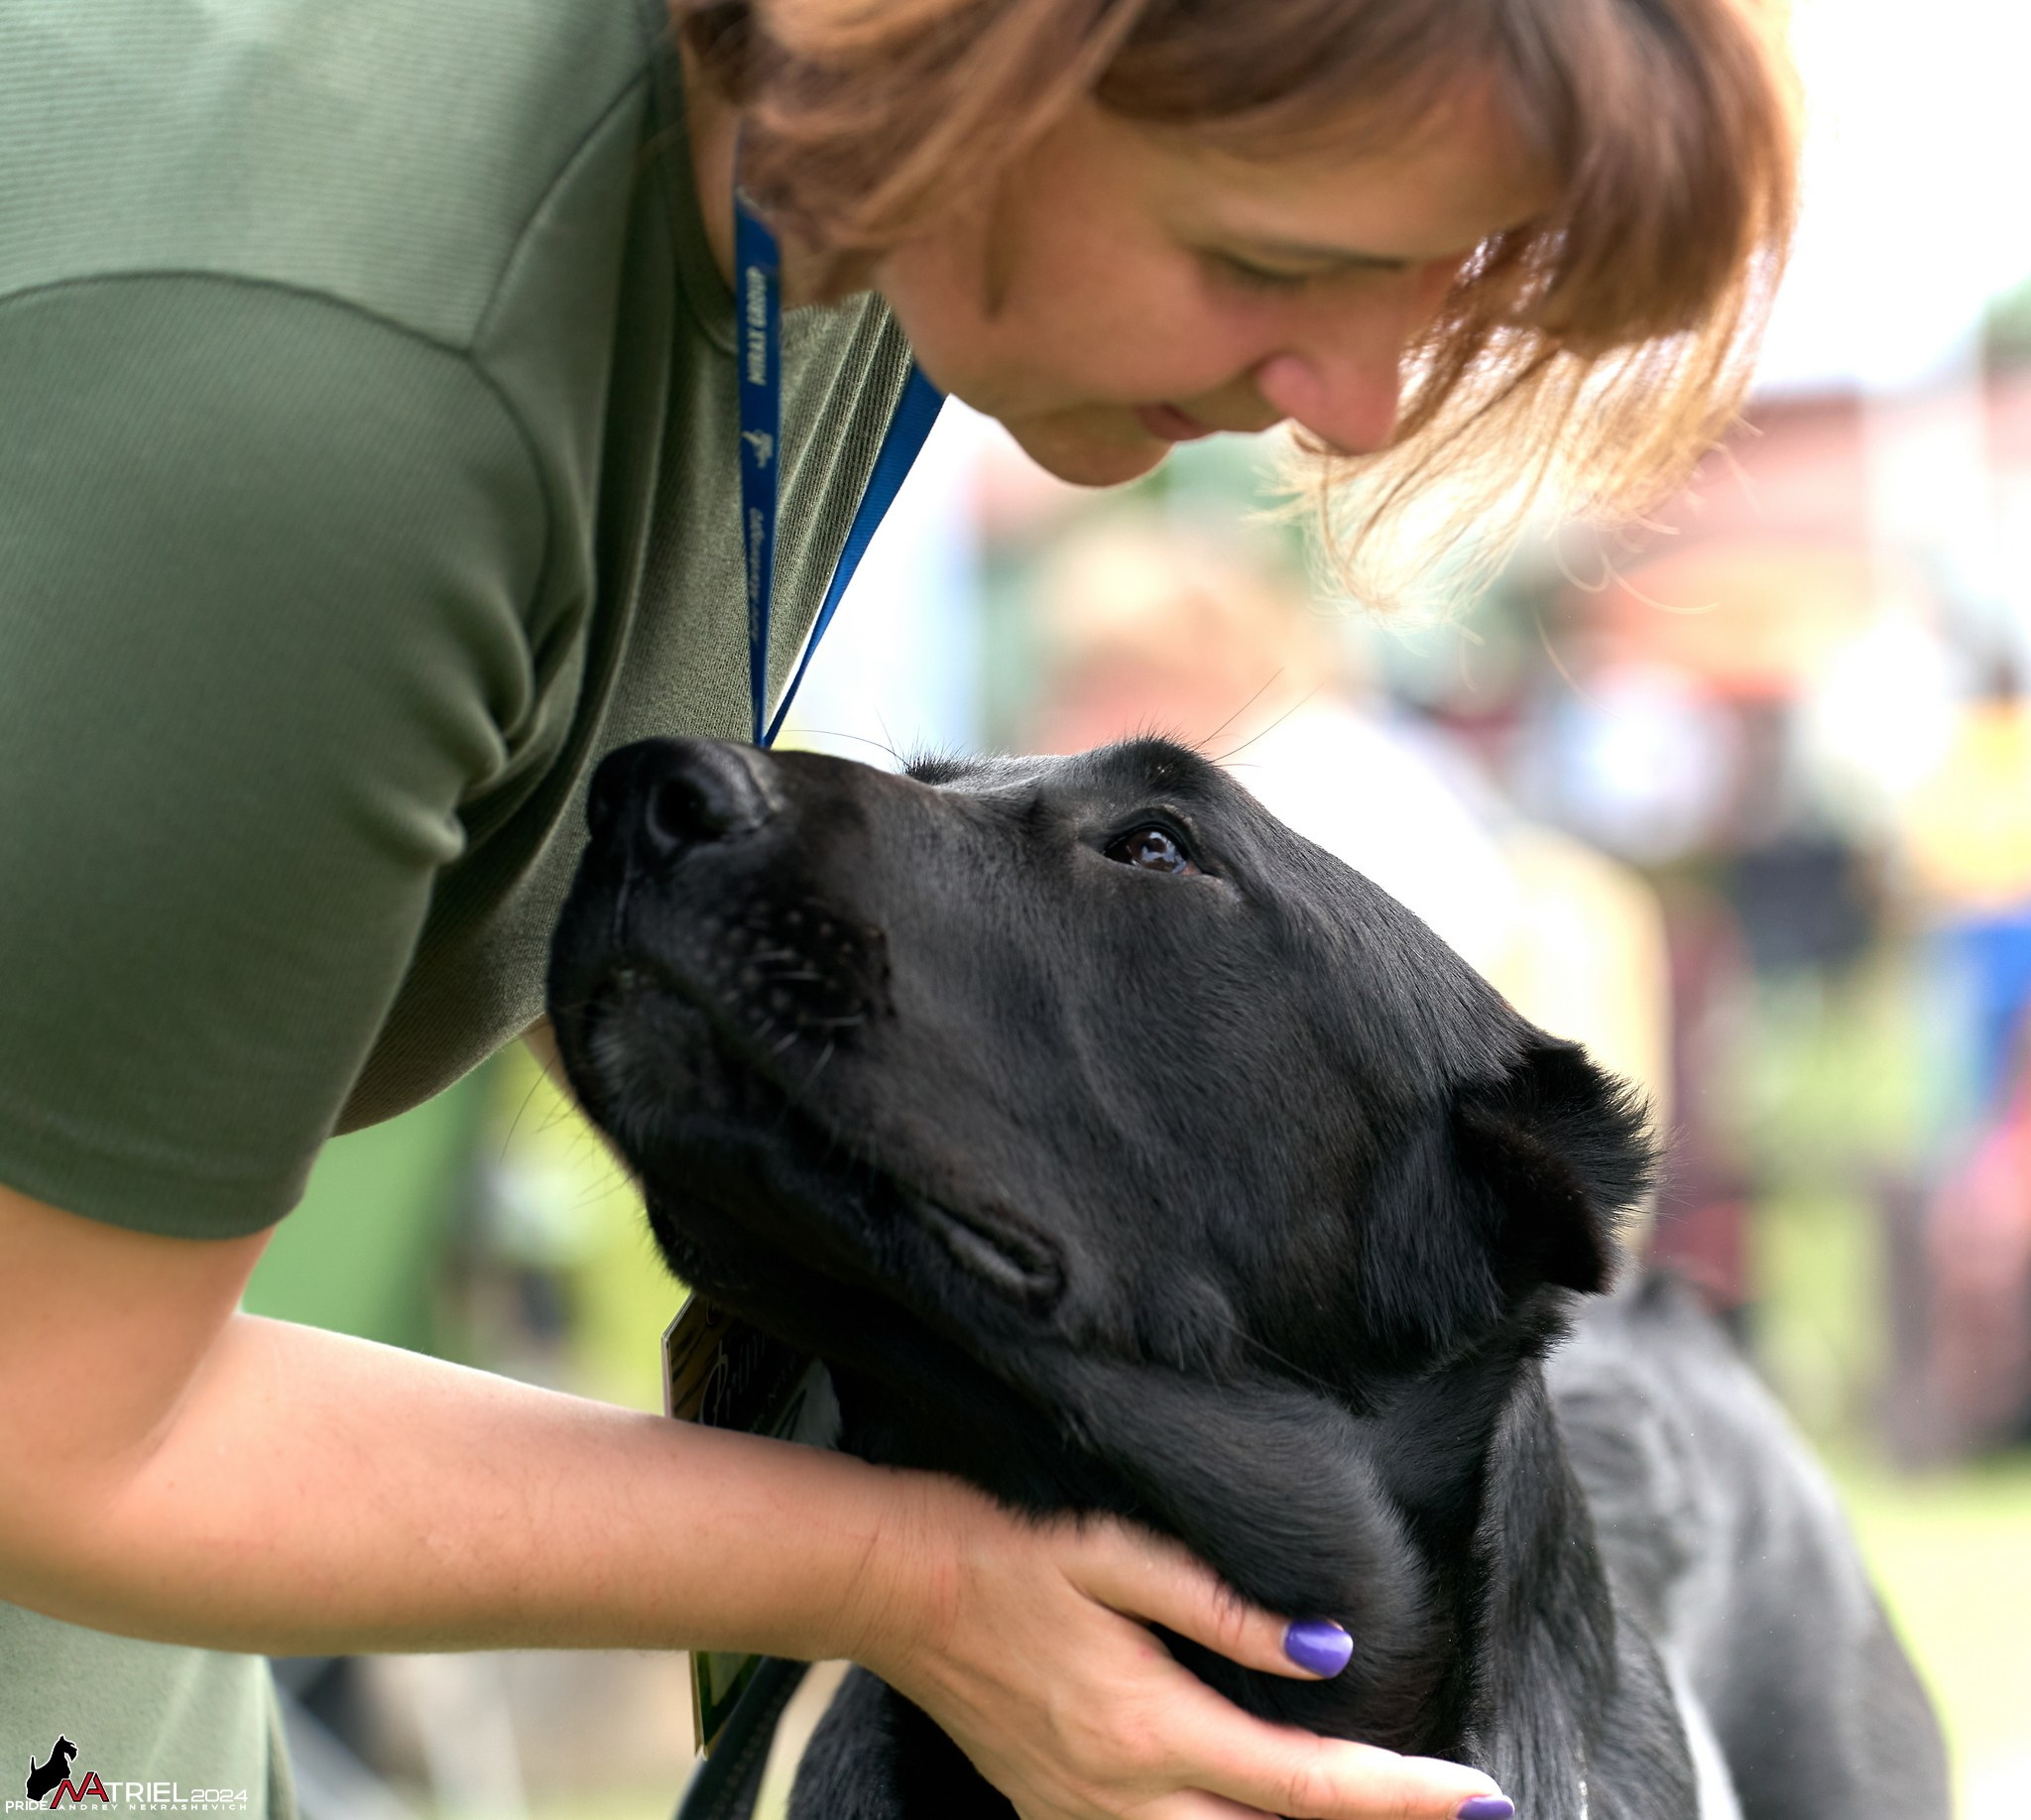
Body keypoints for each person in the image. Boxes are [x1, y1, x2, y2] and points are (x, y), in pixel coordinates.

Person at [0, 1, 1794, 1815]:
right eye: (1265, 256)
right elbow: (42, 1430)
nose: (1359, 403)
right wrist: (903, 1582)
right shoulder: (341, 380)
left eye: (1426, 283)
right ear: (968, 54)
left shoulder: (867, 233)